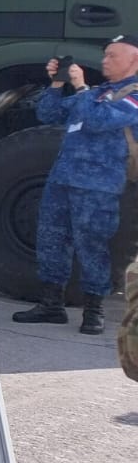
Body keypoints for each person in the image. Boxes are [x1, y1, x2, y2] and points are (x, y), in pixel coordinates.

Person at [13, 37, 138, 334]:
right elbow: (48, 113)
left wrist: (80, 86)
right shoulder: (97, 93)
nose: (104, 60)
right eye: (105, 55)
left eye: (112, 56)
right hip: (62, 180)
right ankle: (51, 304)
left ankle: (94, 311)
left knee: (92, 245)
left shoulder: (132, 97)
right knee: (51, 240)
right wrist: (56, 85)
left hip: (99, 186)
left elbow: (97, 121)